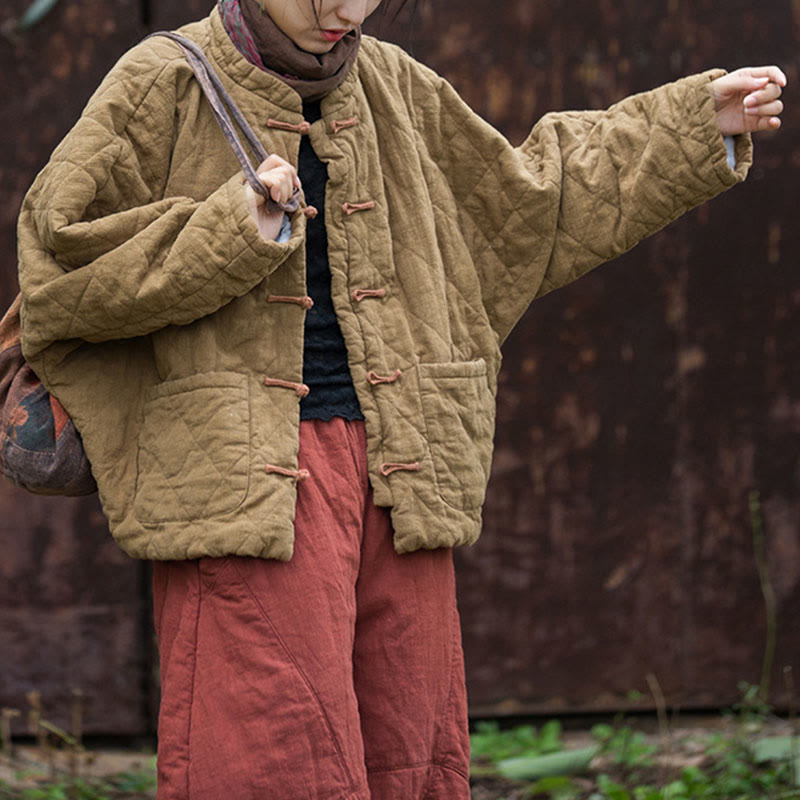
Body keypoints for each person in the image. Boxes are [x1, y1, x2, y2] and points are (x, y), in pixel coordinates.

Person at [16, 0, 785, 797]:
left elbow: (527, 205)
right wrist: (232, 228)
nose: (345, 10)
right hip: (245, 485)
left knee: (411, 758)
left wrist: (695, 126)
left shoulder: (395, 83)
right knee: (270, 763)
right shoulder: (159, 81)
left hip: (403, 473)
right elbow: (58, 272)